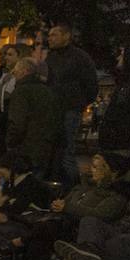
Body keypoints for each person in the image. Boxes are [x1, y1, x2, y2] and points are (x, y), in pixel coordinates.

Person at [17, 153, 127, 260]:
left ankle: (22, 241)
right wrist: (58, 205)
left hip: (83, 232)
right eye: (91, 166)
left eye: (96, 167)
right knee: (42, 234)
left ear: (110, 171)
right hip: (62, 224)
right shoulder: (82, 187)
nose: (91, 170)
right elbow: (65, 203)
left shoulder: (115, 195)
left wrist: (67, 207)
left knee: (44, 229)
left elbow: (99, 214)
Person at [39, 24, 98, 184]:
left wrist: (78, 103)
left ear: (66, 36)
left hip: (69, 109)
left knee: (67, 150)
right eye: (49, 35)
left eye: (54, 35)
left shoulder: (79, 57)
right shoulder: (51, 57)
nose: (50, 38)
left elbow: (91, 84)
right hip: (53, 110)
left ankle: (72, 184)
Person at [5, 58, 63, 179]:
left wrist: (10, 142)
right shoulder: (48, 91)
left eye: (15, 72)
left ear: (24, 71)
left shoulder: (21, 92)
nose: (14, 75)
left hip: (27, 149)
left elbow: (17, 123)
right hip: (47, 148)